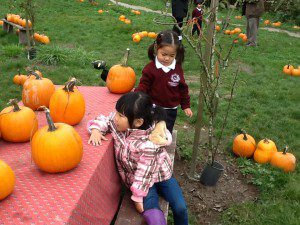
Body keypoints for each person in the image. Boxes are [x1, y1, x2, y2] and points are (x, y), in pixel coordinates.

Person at [87, 92, 189, 225]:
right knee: (151, 210)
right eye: (117, 112)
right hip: (138, 179)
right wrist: (95, 129)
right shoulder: (120, 125)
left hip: (160, 175)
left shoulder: (150, 142)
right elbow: (105, 119)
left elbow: (144, 173)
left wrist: (137, 197)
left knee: (180, 208)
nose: (116, 118)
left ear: (138, 122)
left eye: (121, 115)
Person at [135, 30, 193, 133]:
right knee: (149, 130)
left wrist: (186, 105)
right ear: (157, 48)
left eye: (171, 56)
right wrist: (136, 97)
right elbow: (144, 85)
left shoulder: (177, 68)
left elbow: (183, 88)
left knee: (165, 133)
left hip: (170, 109)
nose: (167, 58)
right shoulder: (150, 69)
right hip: (152, 107)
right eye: (164, 54)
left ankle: (162, 148)